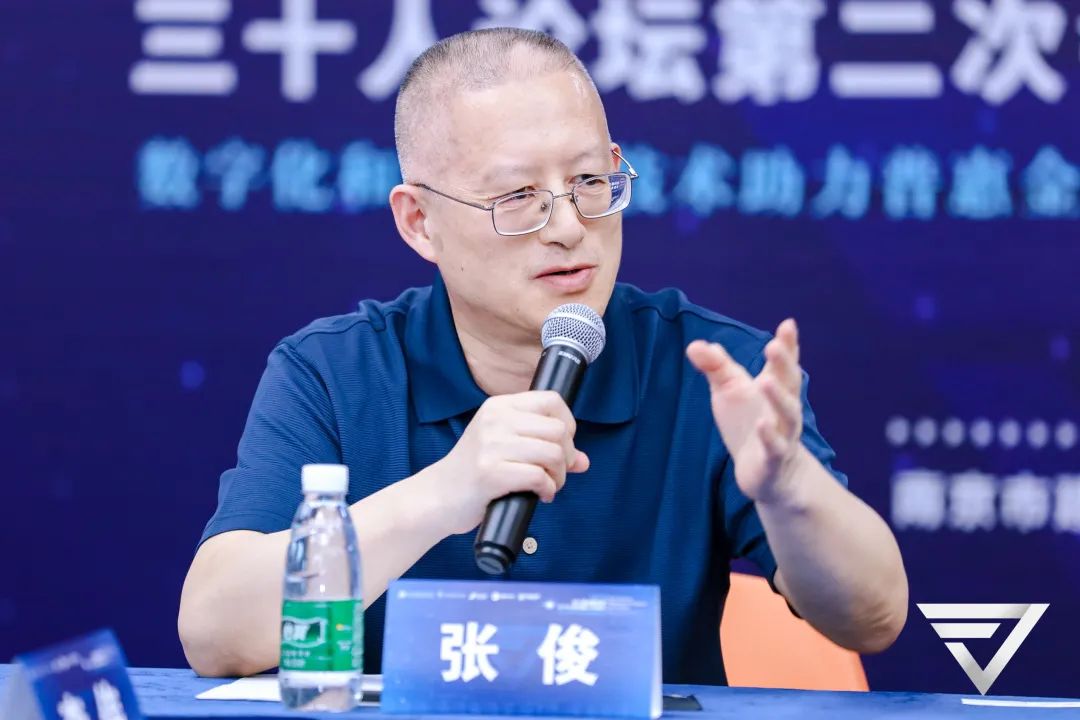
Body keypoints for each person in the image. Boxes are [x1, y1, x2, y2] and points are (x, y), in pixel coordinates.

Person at [178, 27, 907, 685]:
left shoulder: (713, 371)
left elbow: (873, 619)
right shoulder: (336, 373)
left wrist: (790, 490)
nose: (568, 227)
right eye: (519, 196)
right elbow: (215, 634)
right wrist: (442, 494)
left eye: (588, 182)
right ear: (419, 221)